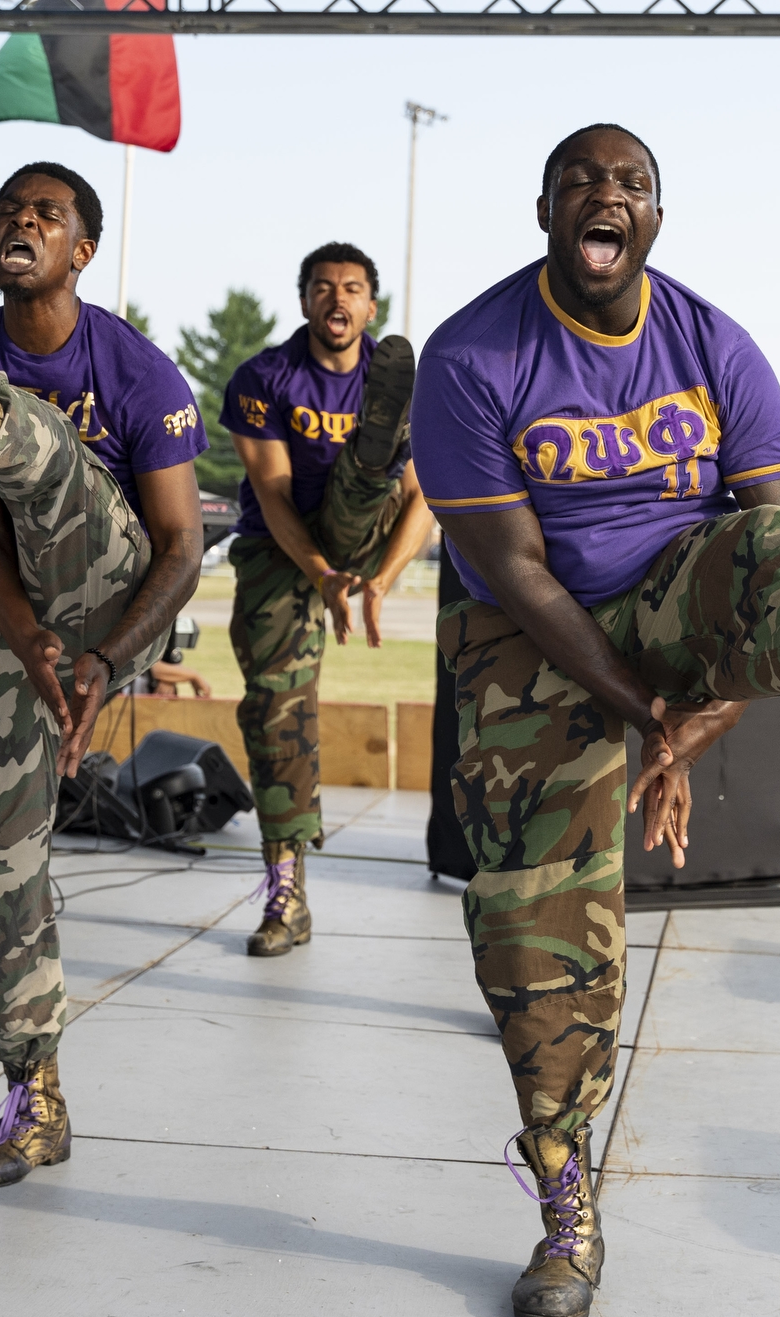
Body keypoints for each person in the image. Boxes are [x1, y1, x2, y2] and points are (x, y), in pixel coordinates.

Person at [410, 124, 780, 1317]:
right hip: (527, 631)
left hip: (677, 587)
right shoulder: (467, 354)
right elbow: (525, 574)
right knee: (528, 919)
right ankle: (565, 1201)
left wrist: (700, 717)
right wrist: (645, 715)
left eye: (631, 186)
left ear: (655, 218)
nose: (606, 198)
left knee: (777, 557)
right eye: (581, 185)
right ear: (545, 212)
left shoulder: (713, 341)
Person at [0, 161, 208, 1192]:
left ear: (82, 251)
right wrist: (26, 644)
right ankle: (36, 1100)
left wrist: (106, 661)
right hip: (12, 609)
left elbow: (181, 546)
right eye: (8, 210)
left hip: (119, 592)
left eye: (46, 214)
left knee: (47, 448)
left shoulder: (139, 371)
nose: (21, 221)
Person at [218, 243, 432, 956]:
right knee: (276, 709)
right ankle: (287, 892)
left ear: (372, 307)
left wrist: (380, 581)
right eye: (323, 288)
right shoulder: (265, 378)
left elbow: (425, 500)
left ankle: (377, 448)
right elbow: (273, 495)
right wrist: (320, 576)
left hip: (368, 533)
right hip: (283, 551)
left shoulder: (398, 376)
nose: (337, 300)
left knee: (369, 481)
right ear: (305, 300)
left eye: (352, 289)